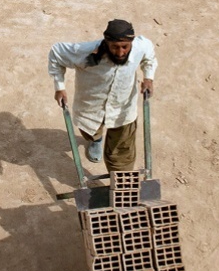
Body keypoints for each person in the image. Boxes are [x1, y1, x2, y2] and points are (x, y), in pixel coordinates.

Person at [48, 19, 157, 172]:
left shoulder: (141, 46)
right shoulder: (85, 51)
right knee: (90, 132)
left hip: (123, 109)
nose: (120, 53)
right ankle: (96, 140)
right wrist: (59, 87)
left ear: (131, 42)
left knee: (122, 153)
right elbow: (56, 53)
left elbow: (149, 56)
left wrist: (148, 78)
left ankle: (121, 181)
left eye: (125, 47)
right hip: (91, 108)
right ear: (106, 42)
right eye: (115, 47)